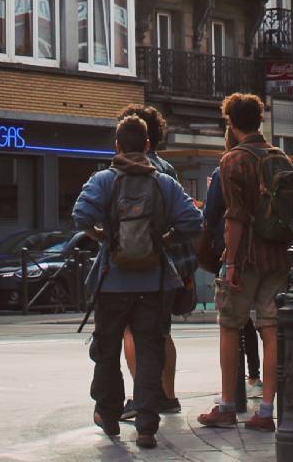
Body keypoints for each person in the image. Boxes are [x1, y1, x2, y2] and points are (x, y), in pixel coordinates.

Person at [72, 114, 203, 450]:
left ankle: (109, 414)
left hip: (111, 281)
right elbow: (193, 222)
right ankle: (146, 426)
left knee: (107, 350)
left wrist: (102, 236)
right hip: (154, 281)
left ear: (117, 144)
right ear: (147, 145)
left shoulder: (103, 180)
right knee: (149, 351)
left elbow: (80, 215)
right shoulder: (165, 183)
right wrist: (165, 239)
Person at [198, 93, 293, 432]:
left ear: (231, 123)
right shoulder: (280, 156)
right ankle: (267, 409)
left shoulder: (233, 160)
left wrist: (233, 264)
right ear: (259, 120)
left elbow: (234, 216)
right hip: (278, 255)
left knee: (229, 325)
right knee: (271, 329)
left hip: (247, 255)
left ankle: (227, 405)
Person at [116, 103, 193, 420]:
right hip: (167, 266)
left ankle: (141, 398)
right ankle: (168, 396)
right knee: (162, 331)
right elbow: (188, 220)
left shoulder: (119, 171)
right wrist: (185, 268)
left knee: (132, 330)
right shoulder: (168, 171)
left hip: (133, 265)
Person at [204, 167, 261, 392]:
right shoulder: (270, 162)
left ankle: (231, 397)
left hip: (232, 253)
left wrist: (229, 262)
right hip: (267, 253)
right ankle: (259, 384)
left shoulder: (223, 171)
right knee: (266, 323)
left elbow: (210, 215)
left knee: (231, 321)